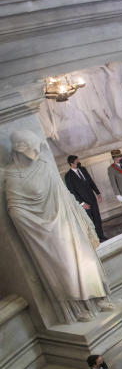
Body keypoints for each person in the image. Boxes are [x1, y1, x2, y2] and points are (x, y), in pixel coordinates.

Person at [5, 132, 112, 324]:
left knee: (86, 262)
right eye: (32, 149)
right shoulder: (13, 175)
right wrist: (36, 223)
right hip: (45, 233)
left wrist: (75, 213)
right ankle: (79, 308)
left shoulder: (45, 167)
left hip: (66, 223)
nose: (37, 153)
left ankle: (99, 298)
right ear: (20, 150)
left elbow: (63, 193)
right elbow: (15, 209)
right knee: (65, 270)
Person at [62, 155, 106, 241]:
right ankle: (95, 239)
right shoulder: (68, 176)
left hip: (92, 198)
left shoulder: (83, 169)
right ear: (71, 163)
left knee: (97, 218)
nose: (79, 163)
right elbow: (72, 192)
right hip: (84, 202)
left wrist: (98, 193)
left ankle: (101, 236)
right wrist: (82, 203)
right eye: (77, 162)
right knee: (90, 221)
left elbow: (90, 181)